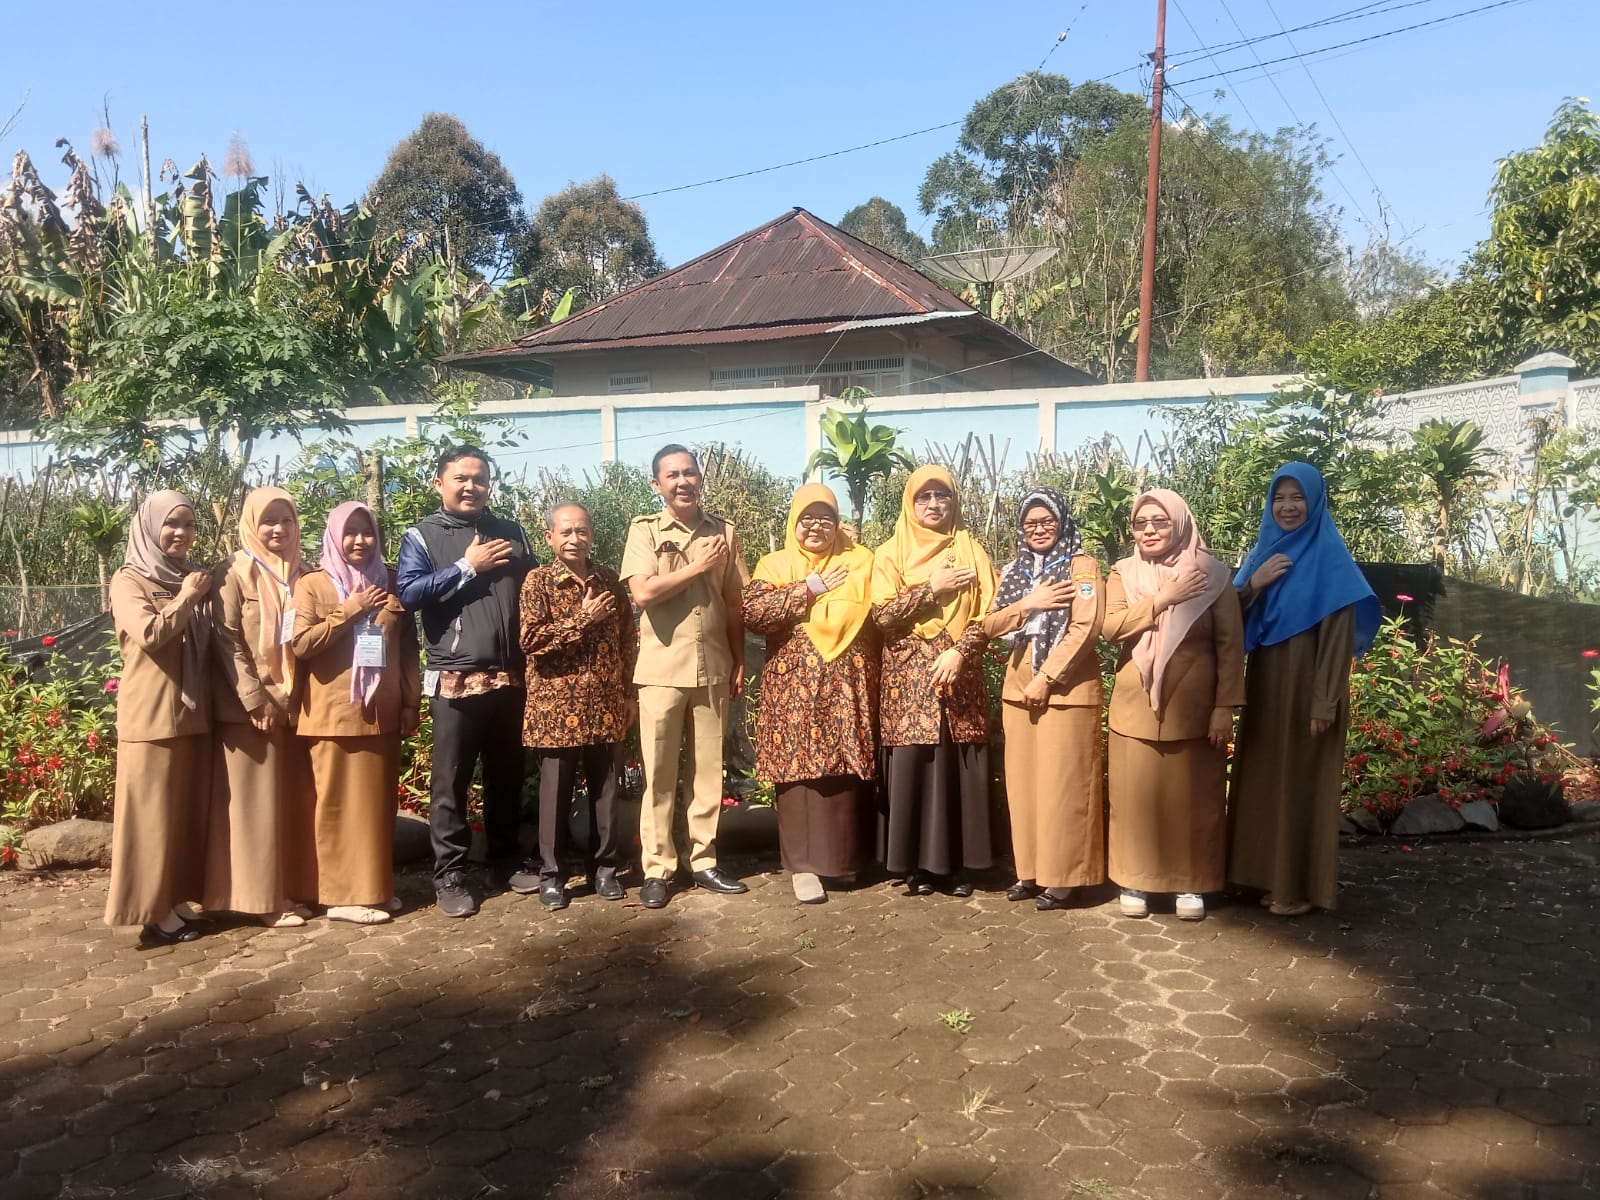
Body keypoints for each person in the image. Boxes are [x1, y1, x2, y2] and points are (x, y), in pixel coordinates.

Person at [1228, 462, 1380, 916]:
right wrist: (1253, 585)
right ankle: (1259, 876)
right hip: (1266, 684)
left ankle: (1292, 889)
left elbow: (1338, 638)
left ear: (1314, 502)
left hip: (1309, 688)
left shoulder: (1329, 557)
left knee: (1300, 782)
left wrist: (1324, 701)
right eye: (1279, 498)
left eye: (1297, 497)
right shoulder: (1263, 552)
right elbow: (1226, 619)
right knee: (1263, 778)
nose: (1288, 507)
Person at [397, 445, 534, 919]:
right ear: (440, 483)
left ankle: (504, 861)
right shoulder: (422, 535)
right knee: (450, 780)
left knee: (507, 774)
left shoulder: (511, 532)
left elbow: (532, 590)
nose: (471, 486)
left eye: (479, 478)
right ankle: (450, 875)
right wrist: (467, 566)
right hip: (455, 677)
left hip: (511, 675)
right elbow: (409, 593)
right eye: (461, 478)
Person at [1102, 489, 1244, 921]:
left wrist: (1224, 706)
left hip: (1195, 708)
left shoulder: (1213, 575)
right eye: (1140, 523)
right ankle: (1135, 880)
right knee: (1134, 798)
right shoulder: (1123, 573)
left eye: (1159, 522)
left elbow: (1230, 646)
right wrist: (1164, 599)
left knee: (1194, 799)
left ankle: (1191, 882)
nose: (1148, 530)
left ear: (1180, 524)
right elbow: (1111, 628)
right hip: (1136, 706)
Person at [619, 444, 750, 910]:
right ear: (657, 485)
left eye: (689, 473)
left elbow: (734, 603)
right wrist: (698, 566)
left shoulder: (724, 532)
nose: (683, 481)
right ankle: (657, 868)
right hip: (661, 671)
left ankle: (704, 860)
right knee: (659, 775)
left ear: (700, 478)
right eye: (672, 475)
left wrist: (739, 660)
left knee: (708, 772)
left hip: (713, 666)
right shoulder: (645, 530)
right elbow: (643, 592)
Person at [744, 483, 880, 904]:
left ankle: (842, 861)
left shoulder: (861, 560)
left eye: (826, 519)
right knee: (798, 775)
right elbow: (754, 613)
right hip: (794, 691)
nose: (816, 527)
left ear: (838, 523)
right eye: (807, 518)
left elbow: (881, 611)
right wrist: (809, 588)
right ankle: (803, 867)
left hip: (847, 686)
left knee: (843, 772)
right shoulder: (775, 564)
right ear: (794, 522)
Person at [291, 501, 421, 925]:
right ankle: (339, 897)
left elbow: (407, 649)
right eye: (350, 532)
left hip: (381, 713)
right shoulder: (312, 585)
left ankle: (374, 890)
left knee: (376, 809)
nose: (359, 541)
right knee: (336, 808)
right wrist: (351, 609)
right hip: (333, 715)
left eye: (367, 532)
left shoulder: (392, 582)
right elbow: (301, 644)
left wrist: (410, 701)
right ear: (334, 536)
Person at [871, 465, 998, 897]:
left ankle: (958, 866)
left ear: (953, 501)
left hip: (959, 674)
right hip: (909, 681)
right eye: (923, 496)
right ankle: (916, 867)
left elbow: (989, 615)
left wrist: (961, 652)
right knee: (916, 765)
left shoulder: (972, 551)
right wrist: (931, 588)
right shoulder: (890, 553)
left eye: (942, 495)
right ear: (910, 502)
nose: (933, 504)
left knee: (956, 765)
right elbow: (882, 616)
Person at [983, 487, 1106, 911]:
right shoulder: (1013, 570)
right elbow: (990, 624)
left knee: (1064, 787)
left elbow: (1086, 627)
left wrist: (1047, 678)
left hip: (1066, 689)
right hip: (1018, 688)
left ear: (1062, 520)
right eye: (1030, 523)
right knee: (1025, 787)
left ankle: (1065, 879)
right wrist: (1028, 603)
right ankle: (1030, 872)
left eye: (1047, 521)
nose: (1038, 529)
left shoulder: (1082, 567)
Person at [104, 492, 215, 946]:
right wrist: (187, 598)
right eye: (171, 524)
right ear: (150, 527)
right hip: (151, 716)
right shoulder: (128, 580)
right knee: (150, 819)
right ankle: (152, 912)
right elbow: (150, 634)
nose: (181, 533)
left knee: (180, 815)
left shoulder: (189, 575)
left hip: (191, 713)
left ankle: (174, 897)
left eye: (188, 525)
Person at [519, 502, 638, 909]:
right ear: (550, 537)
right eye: (566, 532)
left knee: (606, 792)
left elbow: (627, 639)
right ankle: (552, 876)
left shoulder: (608, 581)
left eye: (582, 531)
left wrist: (628, 694)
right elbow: (531, 641)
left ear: (592, 535)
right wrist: (583, 620)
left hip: (605, 704)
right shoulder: (537, 582)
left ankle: (604, 870)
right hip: (554, 709)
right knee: (555, 796)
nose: (575, 539)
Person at [208, 486, 317, 928]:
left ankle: (287, 890)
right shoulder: (233, 572)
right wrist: (254, 699)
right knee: (255, 807)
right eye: (268, 520)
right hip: (249, 709)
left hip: (296, 704)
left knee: (288, 804)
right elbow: (227, 639)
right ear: (252, 523)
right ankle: (262, 901)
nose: (278, 529)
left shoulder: (305, 573)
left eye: (286, 520)